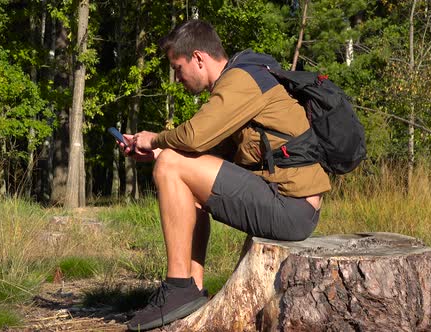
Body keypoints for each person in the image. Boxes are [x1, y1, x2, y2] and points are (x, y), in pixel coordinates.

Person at [119, 19, 331, 331]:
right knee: (173, 166)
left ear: (198, 58)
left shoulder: (241, 81)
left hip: (291, 208)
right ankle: (190, 289)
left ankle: (178, 288)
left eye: (178, 68)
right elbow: (208, 154)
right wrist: (159, 153)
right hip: (287, 201)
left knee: (172, 165)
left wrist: (155, 139)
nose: (177, 78)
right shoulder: (243, 77)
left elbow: (194, 137)